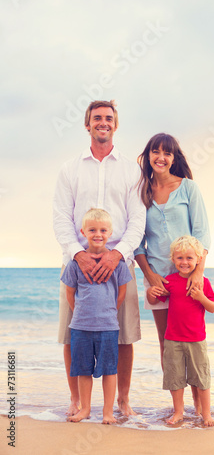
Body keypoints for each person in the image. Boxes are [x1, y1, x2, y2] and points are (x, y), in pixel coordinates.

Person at [53, 100, 145, 417]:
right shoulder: (70, 169)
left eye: (108, 118)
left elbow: (137, 219)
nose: (102, 122)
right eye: (97, 118)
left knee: (123, 334)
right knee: (71, 332)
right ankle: (77, 401)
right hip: (77, 262)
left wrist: (117, 255)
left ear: (115, 125)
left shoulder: (132, 170)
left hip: (120, 262)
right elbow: (61, 218)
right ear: (87, 124)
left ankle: (122, 401)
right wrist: (77, 254)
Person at [134, 133, 210, 414]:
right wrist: (150, 276)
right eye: (155, 151)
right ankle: (178, 409)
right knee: (168, 344)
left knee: (191, 342)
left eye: (167, 153)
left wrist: (198, 273)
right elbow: (137, 241)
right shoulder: (141, 192)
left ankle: (200, 408)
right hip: (159, 280)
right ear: (148, 156)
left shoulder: (188, 188)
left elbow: (202, 233)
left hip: (188, 278)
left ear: (174, 157)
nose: (161, 157)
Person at [62, 208, 132, 424]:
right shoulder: (75, 264)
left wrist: (108, 311)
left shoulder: (118, 264)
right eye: (92, 230)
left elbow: (121, 293)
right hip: (81, 327)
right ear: (83, 232)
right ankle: (85, 409)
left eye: (103, 230)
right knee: (83, 369)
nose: (98, 234)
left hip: (108, 327)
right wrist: (82, 313)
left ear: (110, 232)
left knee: (110, 370)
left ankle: (108, 412)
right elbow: (70, 293)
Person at [147, 235, 214, 426]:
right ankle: (178, 412)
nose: (184, 262)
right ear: (173, 259)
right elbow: (156, 301)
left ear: (198, 260)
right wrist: (150, 293)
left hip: (196, 340)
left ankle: (206, 414)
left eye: (189, 258)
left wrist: (201, 296)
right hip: (172, 339)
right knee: (175, 378)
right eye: (180, 258)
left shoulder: (203, 282)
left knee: (201, 378)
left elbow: (212, 307)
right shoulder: (170, 281)